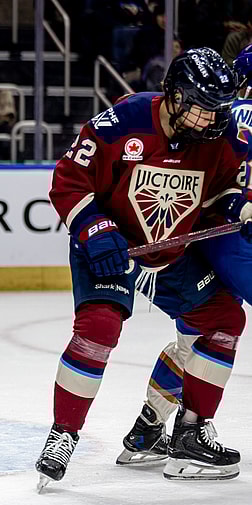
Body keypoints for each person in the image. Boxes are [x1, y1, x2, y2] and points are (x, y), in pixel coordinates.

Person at [35, 47, 247, 489]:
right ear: (174, 95)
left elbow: (222, 192)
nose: (213, 120)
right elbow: (69, 180)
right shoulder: (126, 120)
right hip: (110, 247)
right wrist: (95, 229)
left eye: (218, 110)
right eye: (204, 109)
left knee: (224, 319)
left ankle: (189, 432)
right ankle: (63, 434)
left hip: (170, 256)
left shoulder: (214, 141)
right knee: (99, 327)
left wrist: (235, 208)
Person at [116, 43, 252, 470]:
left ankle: (149, 427)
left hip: (190, 239)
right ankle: (189, 432)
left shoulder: (219, 112)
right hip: (217, 238)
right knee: (220, 323)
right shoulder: (228, 115)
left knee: (200, 330)